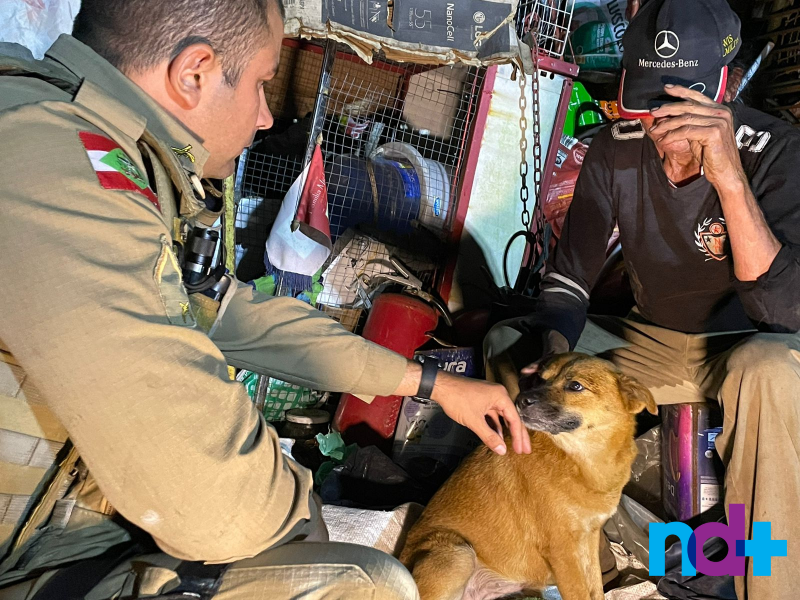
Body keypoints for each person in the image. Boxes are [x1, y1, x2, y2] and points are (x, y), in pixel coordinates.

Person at [0, 0, 532, 598]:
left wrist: (429, 384)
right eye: (260, 85)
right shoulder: (59, 169)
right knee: (364, 584)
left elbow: (231, 315)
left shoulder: (97, 150)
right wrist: (303, 515)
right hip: (29, 559)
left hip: (58, 534)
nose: (262, 117)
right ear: (193, 73)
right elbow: (219, 501)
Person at [486, 0, 799, 598]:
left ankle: (769, 581)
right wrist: (552, 358)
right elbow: (570, 278)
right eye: (649, 112)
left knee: (769, 372)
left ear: (722, 92)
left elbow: (784, 312)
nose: (664, 136)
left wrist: (729, 178)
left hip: (751, 344)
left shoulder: (780, 153)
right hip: (651, 341)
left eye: (682, 115)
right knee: (509, 346)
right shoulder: (616, 147)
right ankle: (593, 556)